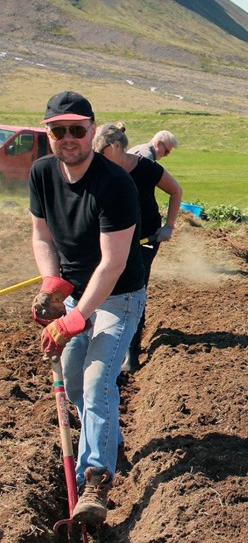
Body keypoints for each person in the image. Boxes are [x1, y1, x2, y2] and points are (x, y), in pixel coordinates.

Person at [29, 91, 147, 524]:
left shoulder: (115, 184)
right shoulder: (42, 173)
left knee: (98, 382)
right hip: (78, 291)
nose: (68, 138)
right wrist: (52, 284)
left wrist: (75, 317)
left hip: (120, 294)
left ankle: (95, 478)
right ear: (49, 134)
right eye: (58, 131)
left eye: (77, 129)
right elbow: (42, 237)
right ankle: (108, 437)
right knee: (76, 384)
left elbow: (112, 264)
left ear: (92, 131)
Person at [93, 123, 182, 373]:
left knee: (134, 289)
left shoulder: (145, 168)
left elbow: (176, 191)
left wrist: (169, 226)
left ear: (117, 147)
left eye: (102, 153)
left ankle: (131, 352)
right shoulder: (100, 171)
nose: (98, 160)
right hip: (112, 238)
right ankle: (104, 340)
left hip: (145, 239)